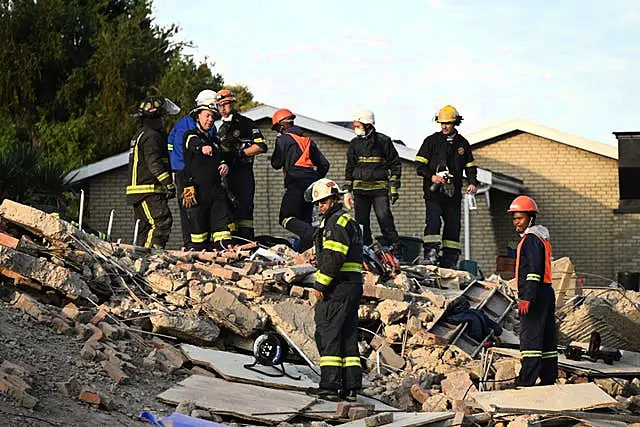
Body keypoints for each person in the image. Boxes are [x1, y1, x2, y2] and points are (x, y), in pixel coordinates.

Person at [304, 178, 363, 402]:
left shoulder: (335, 222)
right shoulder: (347, 220)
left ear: (333, 199)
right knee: (347, 335)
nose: (320, 206)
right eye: (318, 203)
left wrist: (320, 285)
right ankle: (350, 388)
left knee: (328, 333)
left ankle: (329, 386)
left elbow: (335, 256)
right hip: (352, 284)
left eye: (323, 202)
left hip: (338, 286)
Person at [415, 105, 478, 268]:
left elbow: (470, 166)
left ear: (455, 123)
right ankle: (431, 254)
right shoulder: (431, 141)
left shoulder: (462, 143)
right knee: (433, 222)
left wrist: (472, 182)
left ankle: (450, 259)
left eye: (448, 123)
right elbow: (419, 166)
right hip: (434, 194)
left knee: (453, 225)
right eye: (441, 123)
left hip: (453, 193)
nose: (444, 126)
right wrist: (433, 177)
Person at [508, 195, 557, 387]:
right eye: (514, 218)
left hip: (535, 294)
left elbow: (533, 271)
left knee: (530, 339)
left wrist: (527, 297)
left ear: (530, 218)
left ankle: (526, 381)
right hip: (545, 292)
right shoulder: (541, 238)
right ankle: (548, 378)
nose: (516, 222)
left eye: (519, 218)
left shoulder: (531, 240)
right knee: (546, 339)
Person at [271, 108, 330, 252]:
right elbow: (324, 165)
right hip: (311, 185)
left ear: (281, 125)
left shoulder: (283, 139)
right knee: (304, 222)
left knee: (285, 218)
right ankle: (306, 255)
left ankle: (316, 234)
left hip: (296, 183)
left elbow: (276, 164)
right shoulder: (308, 141)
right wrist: (315, 180)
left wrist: (278, 145)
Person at [344, 109, 402, 256]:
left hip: (379, 190)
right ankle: (365, 250)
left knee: (385, 219)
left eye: (357, 125)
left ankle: (395, 250)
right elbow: (350, 167)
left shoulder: (383, 141)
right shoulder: (354, 144)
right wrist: (346, 191)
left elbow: (395, 164)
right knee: (361, 223)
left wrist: (394, 186)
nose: (355, 128)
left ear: (367, 124)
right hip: (360, 190)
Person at [125, 96, 180, 248]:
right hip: (147, 189)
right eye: (163, 116)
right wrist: (169, 184)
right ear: (156, 116)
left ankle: (139, 259)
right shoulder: (152, 136)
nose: (165, 121)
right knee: (161, 222)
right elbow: (154, 163)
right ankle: (151, 259)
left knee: (145, 228)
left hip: (140, 191)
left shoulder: (142, 134)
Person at [168, 89, 219, 248]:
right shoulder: (187, 125)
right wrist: (181, 173)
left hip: (203, 176)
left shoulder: (211, 126)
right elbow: (178, 149)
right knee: (189, 209)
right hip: (186, 175)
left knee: (203, 209)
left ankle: (204, 243)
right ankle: (189, 244)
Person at [216, 89, 268, 240]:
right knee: (228, 209)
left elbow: (261, 146)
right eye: (220, 106)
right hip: (226, 174)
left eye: (226, 105)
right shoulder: (220, 128)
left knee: (244, 209)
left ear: (232, 103)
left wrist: (240, 154)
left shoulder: (245, 123)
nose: (223, 109)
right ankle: (233, 242)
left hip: (243, 173)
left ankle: (247, 240)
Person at [181, 102, 233, 250]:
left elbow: (221, 157)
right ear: (198, 116)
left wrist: (225, 165)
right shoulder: (190, 135)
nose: (210, 119)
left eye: (212, 117)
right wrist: (201, 147)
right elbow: (192, 143)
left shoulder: (214, 141)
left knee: (222, 232)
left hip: (216, 191)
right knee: (199, 234)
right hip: (197, 191)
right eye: (207, 116)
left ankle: (224, 255)